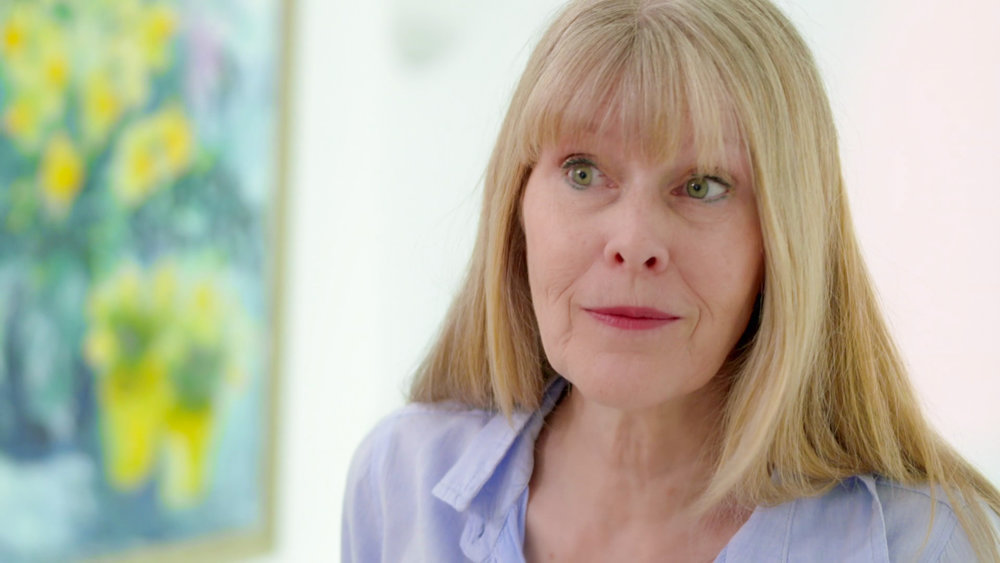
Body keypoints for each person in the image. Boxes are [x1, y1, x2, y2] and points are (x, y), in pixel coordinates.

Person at [341, 0, 1000, 560]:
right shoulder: (400, 485)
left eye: (703, 185)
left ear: (784, 241)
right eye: (583, 173)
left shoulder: (928, 544)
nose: (633, 243)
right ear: (517, 208)